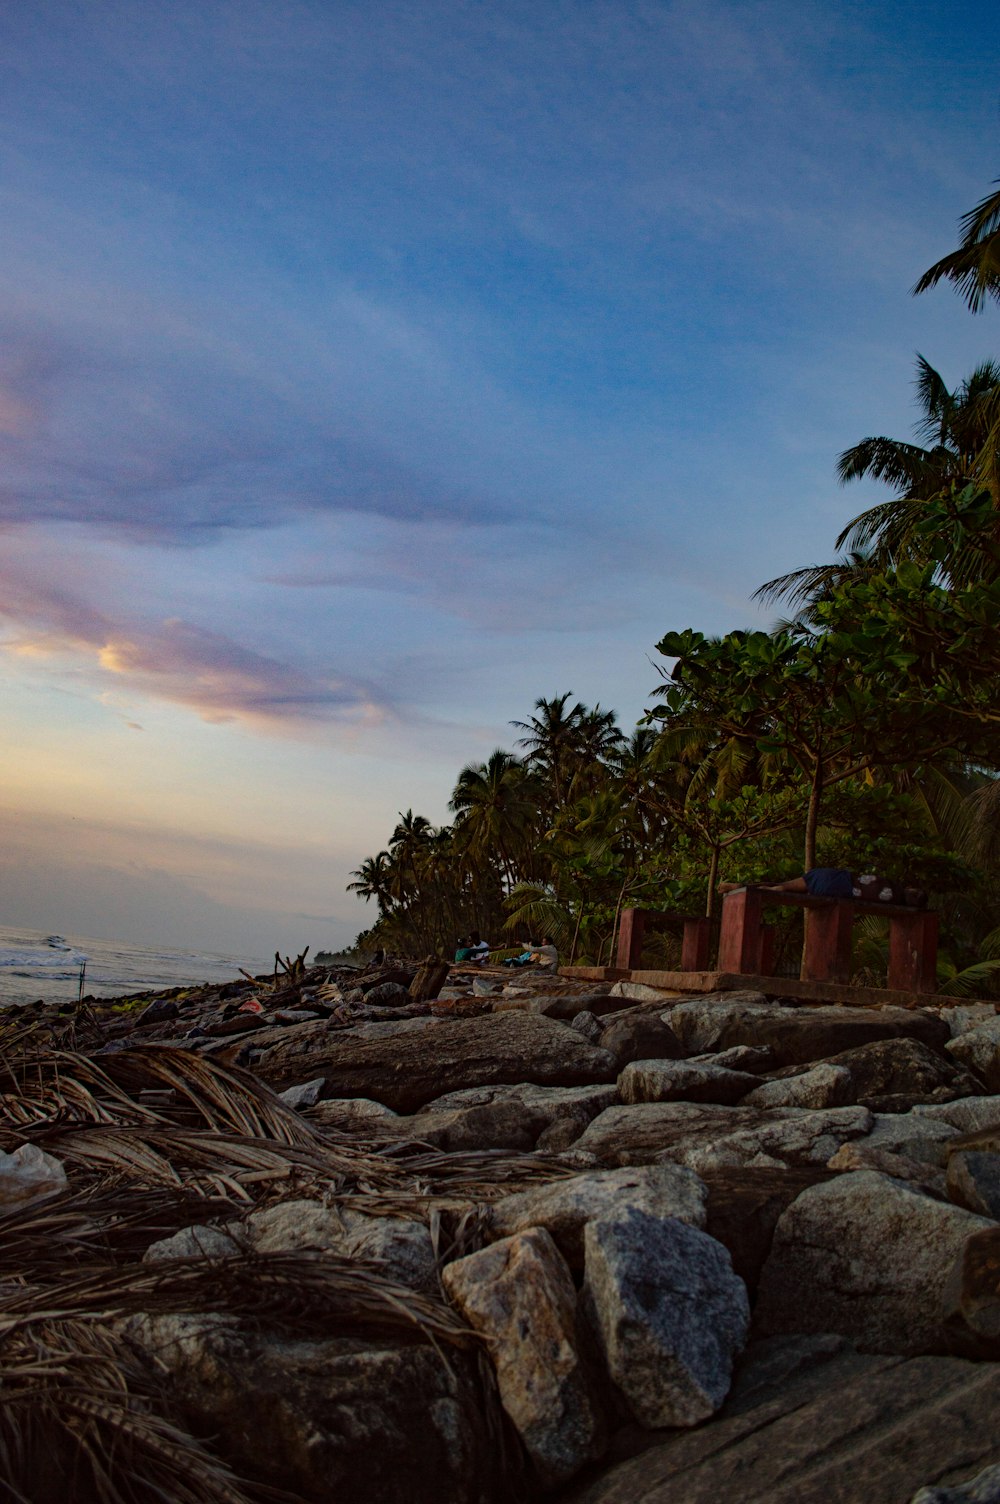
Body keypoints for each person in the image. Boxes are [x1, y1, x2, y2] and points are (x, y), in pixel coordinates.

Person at [720, 869, 927, 907]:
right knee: (782, 888)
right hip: (838, 888)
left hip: (835, 879)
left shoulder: (892, 886)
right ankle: (747, 887)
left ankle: (743, 886)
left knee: (782, 885)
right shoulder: (893, 898)